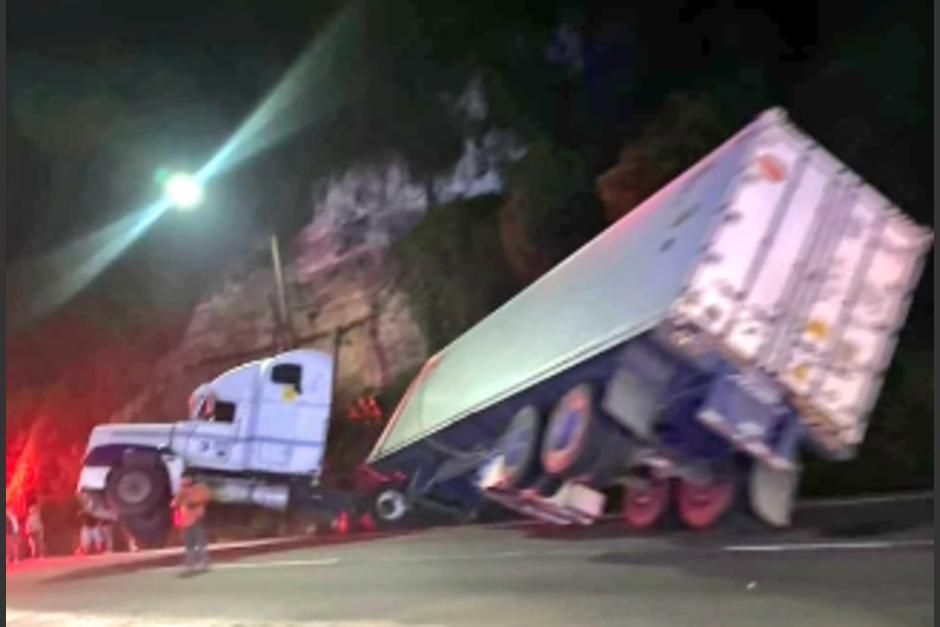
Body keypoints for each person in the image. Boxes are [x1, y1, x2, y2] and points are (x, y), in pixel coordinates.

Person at [171, 475, 212, 572]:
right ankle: (190, 563)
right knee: (188, 544)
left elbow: (204, 498)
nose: (182, 481)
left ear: (190, 479)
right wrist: (178, 522)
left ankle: (203, 561)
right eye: (182, 480)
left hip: (196, 520)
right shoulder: (181, 492)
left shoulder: (198, 489)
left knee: (199, 542)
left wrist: (188, 498)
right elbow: (173, 505)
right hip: (185, 522)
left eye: (185, 479)